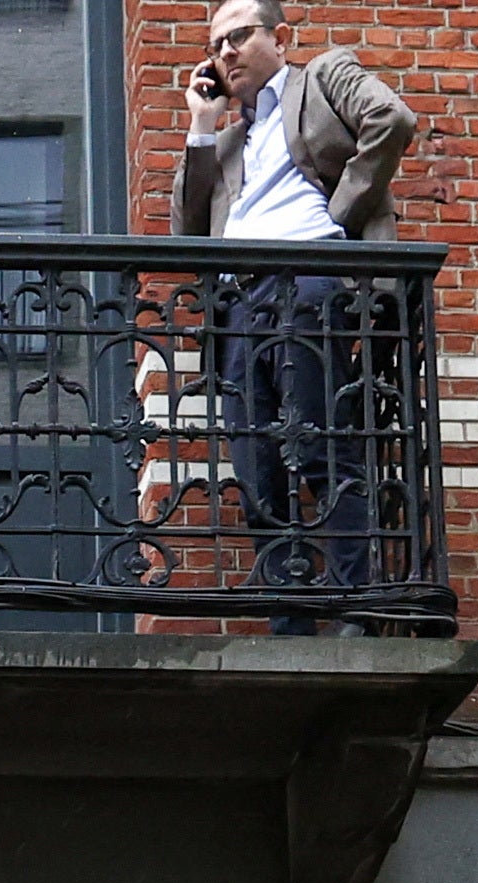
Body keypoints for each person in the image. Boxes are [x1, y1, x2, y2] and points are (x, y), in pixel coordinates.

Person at [174, 0, 416, 592]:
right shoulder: (229, 140)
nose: (225, 51)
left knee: (319, 446)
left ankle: (359, 601)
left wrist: (334, 220)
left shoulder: (323, 78)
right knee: (258, 471)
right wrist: (202, 125)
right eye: (216, 45)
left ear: (280, 37)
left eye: (239, 35)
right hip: (239, 307)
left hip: (306, 285)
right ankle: (293, 617)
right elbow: (186, 225)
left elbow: (393, 121)